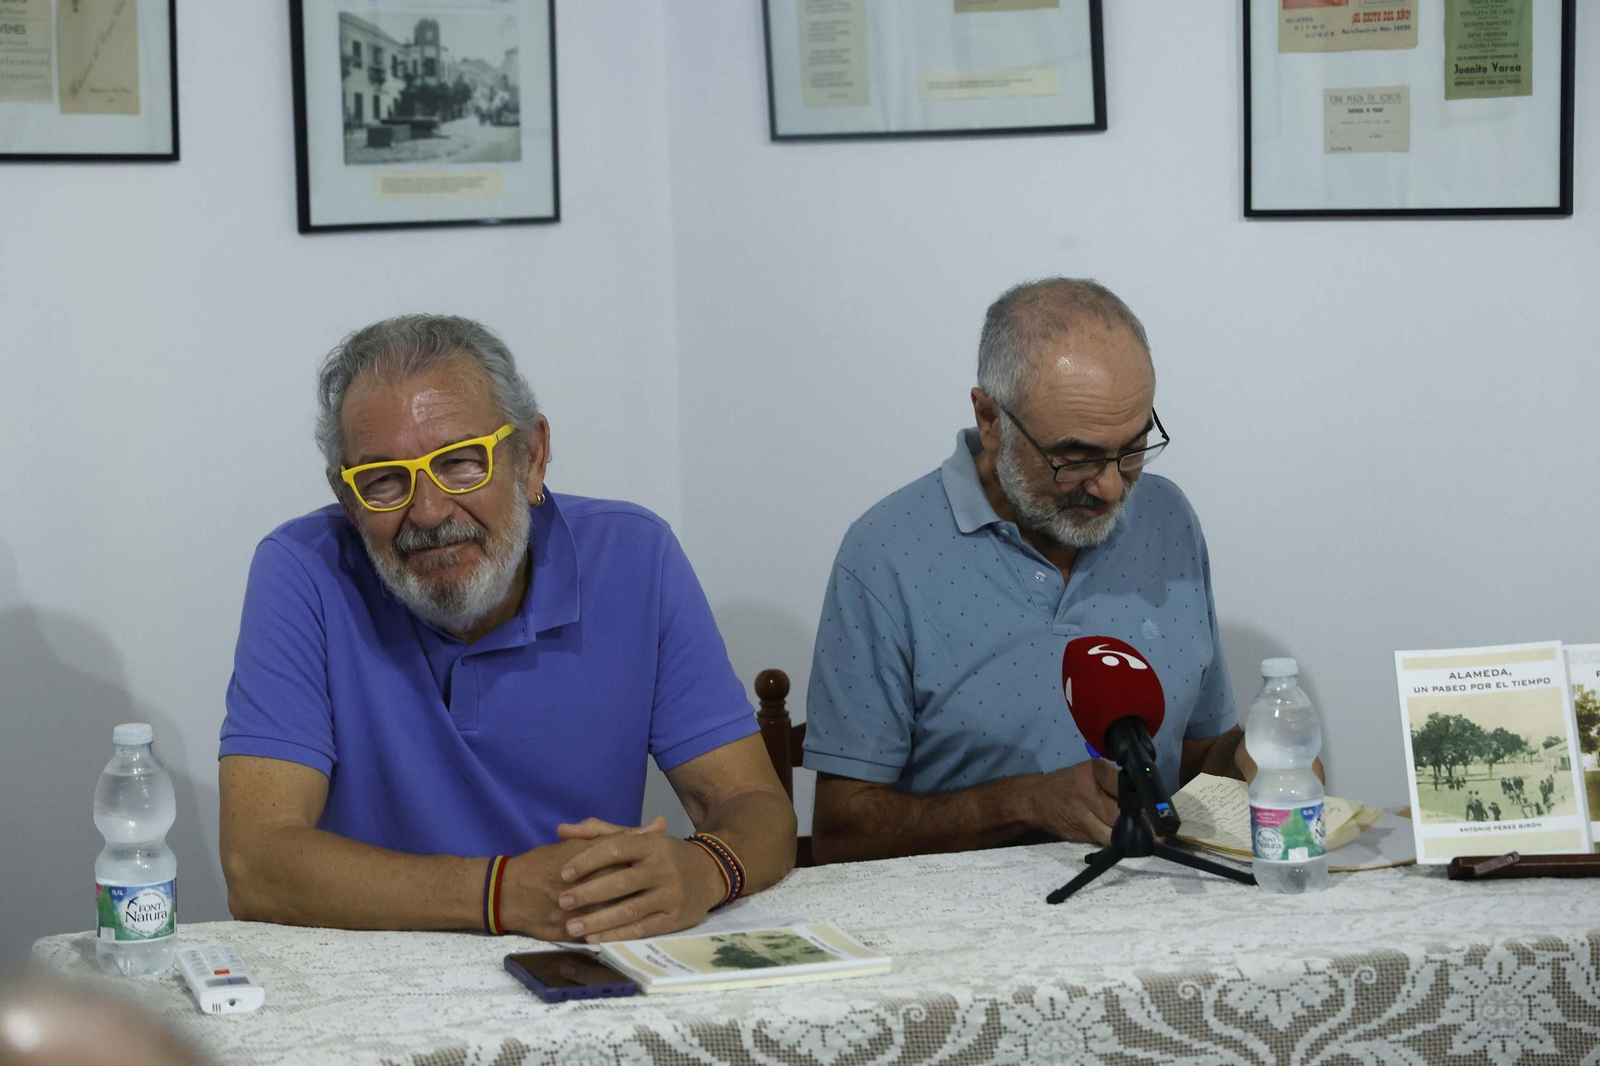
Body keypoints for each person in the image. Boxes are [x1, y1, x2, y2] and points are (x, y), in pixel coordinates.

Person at [219, 315, 795, 944]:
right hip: (378, 974)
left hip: (587, 960)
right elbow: (257, 866)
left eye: (461, 464)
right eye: (384, 481)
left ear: (532, 457)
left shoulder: (634, 554)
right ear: (348, 497)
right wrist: (501, 894)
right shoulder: (302, 570)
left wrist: (706, 869)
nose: (429, 511)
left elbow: (756, 807)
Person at [805, 278, 1258, 864]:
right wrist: (1025, 803)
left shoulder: (1167, 520)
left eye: (1134, 447)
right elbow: (840, 835)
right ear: (990, 419)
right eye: (1075, 459)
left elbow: (1198, 757)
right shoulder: (886, 553)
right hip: (964, 932)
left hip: (1155, 913)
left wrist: (1259, 762)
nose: (1112, 487)